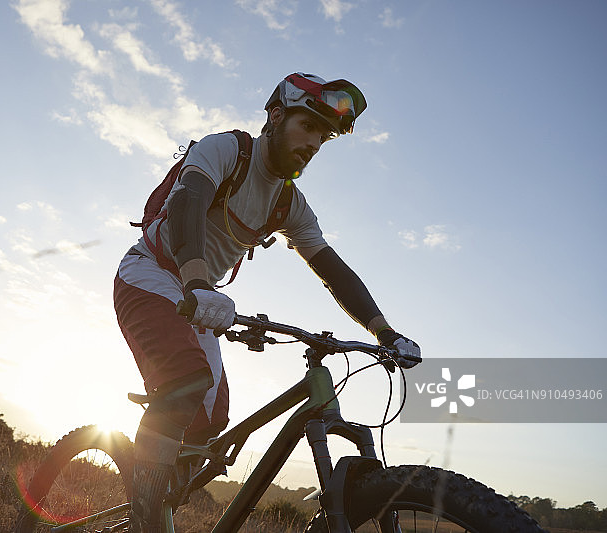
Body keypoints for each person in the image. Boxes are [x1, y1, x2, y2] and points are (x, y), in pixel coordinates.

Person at [113, 72, 421, 532]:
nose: (315, 143)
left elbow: (332, 269)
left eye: (324, 135)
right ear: (275, 116)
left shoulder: (289, 203)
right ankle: (145, 514)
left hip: (200, 299)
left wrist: (385, 332)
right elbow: (188, 203)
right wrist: (198, 283)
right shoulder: (228, 150)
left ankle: (161, 487)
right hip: (150, 275)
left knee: (211, 418)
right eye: (308, 126)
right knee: (185, 380)